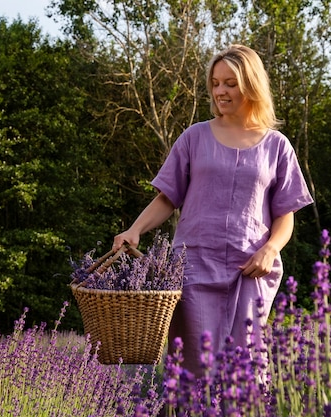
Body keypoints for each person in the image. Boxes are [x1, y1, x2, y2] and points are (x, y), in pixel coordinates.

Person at [112, 44, 314, 376]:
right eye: (216, 83)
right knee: (194, 368)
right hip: (193, 269)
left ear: (251, 85)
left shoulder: (277, 145)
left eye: (230, 83)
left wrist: (270, 249)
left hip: (250, 270)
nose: (221, 91)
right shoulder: (194, 137)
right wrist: (135, 229)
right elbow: (167, 197)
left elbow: (285, 214)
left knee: (245, 367)